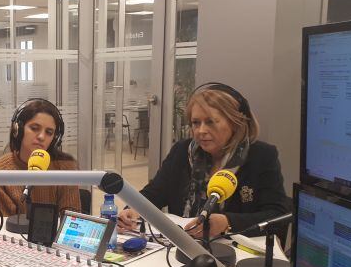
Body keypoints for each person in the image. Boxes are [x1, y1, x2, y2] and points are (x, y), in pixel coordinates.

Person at [118, 83, 289, 238]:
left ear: (235, 123)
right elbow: (154, 193)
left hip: (235, 252)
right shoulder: (181, 151)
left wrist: (227, 222)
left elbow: (277, 214)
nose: (201, 131)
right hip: (182, 247)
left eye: (210, 122)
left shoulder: (261, 156)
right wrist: (134, 209)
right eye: (195, 122)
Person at [0, 99, 81, 216]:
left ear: (55, 139)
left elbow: (71, 222)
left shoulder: (65, 168)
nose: (42, 137)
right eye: (34, 128)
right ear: (18, 130)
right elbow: (0, 225)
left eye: (49, 132)